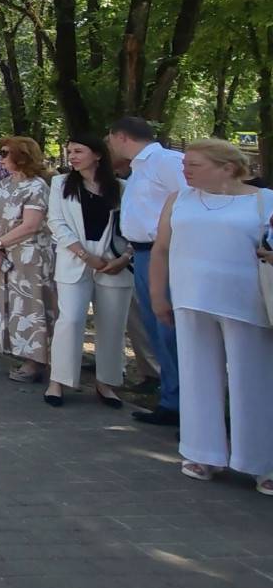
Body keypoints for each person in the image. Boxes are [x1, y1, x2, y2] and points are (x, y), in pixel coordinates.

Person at [149, 139, 273, 494]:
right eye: (185, 163)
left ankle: (260, 462)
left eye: (194, 165)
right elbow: (161, 250)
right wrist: (159, 296)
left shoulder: (264, 201)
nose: (185, 170)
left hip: (247, 303)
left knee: (253, 380)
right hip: (191, 299)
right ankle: (202, 453)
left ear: (227, 168)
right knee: (197, 375)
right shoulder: (180, 199)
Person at [106, 116, 187, 426]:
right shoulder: (140, 168)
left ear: (121, 136)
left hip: (162, 253)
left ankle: (183, 403)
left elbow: (188, 200)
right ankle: (171, 399)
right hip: (141, 254)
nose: (110, 145)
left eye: (111, 139)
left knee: (169, 329)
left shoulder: (166, 161)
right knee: (157, 330)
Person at [45, 134, 131, 408]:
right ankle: (58, 380)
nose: (72, 155)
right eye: (70, 151)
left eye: (79, 150)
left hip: (113, 262)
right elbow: (56, 222)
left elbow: (132, 227)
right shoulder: (61, 184)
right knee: (69, 320)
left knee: (113, 324)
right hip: (75, 258)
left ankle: (106, 382)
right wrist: (84, 254)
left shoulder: (121, 187)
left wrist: (126, 256)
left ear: (98, 155)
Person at [0, 137, 57, 383]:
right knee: (12, 304)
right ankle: (21, 352)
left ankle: (37, 360)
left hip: (30, 255)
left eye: (6, 153)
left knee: (31, 305)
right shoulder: (4, 183)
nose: (1, 157)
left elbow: (31, 225)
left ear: (22, 156)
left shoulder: (37, 187)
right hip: (5, 254)